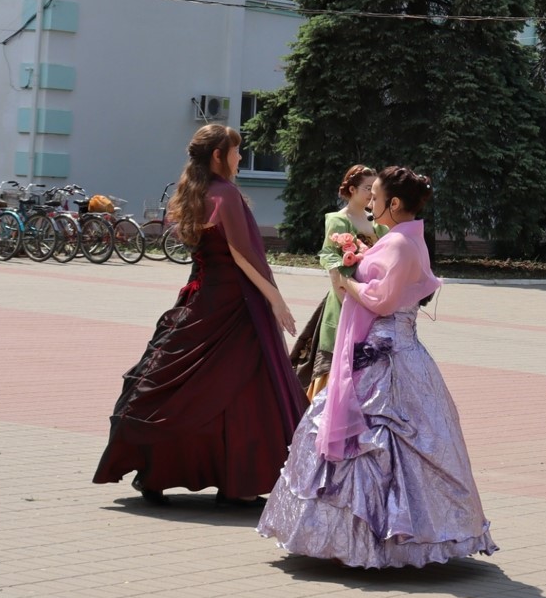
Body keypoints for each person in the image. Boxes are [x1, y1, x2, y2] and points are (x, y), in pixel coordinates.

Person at [258, 167, 496, 568]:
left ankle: (377, 543)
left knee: (372, 439)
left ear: (395, 204)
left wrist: (346, 279)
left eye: (377, 196)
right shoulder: (403, 238)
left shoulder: (401, 243)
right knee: (374, 437)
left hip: (387, 356)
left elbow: (382, 300)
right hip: (391, 350)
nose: (371, 202)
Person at [94, 124, 303, 507]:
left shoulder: (196, 191)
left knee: (188, 386)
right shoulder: (226, 194)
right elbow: (242, 253)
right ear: (219, 156)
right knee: (242, 392)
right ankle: (235, 483)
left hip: (202, 297)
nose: (241, 158)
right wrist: (275, 299)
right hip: (235, 303)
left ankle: (156, 472)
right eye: (236, 151)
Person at [289, 165, 389, 399]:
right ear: (352, 189)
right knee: (338, 361)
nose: (371, 195)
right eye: (367, 188)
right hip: (344, 300)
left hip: (370, 300)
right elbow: (334, 267)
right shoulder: (338, 220)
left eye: (374, 190)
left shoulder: (378, 224)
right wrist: (348, 302)